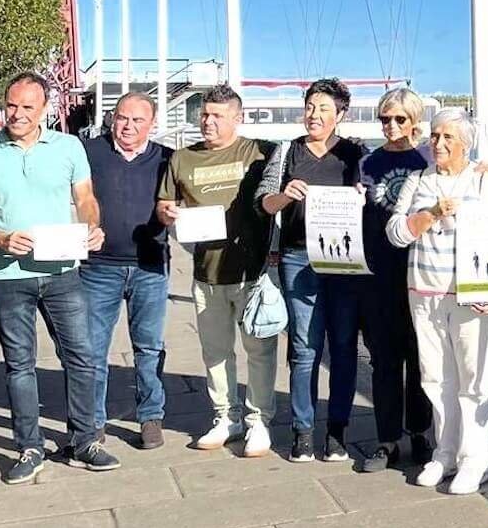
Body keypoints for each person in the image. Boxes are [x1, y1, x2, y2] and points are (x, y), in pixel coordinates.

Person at [0, 72, 118, 484]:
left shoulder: (68, 147)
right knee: (20, 365)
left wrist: (92, 227)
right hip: (8, 275)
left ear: (46, 109)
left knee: (81, 358)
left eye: (28, 107)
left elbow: (85, 199)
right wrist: (0, 238)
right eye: (12, 105)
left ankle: (84, 442)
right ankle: (29, 447)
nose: (17, 114)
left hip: (63, 272)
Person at [385, 108, 488, 495]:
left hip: (470, 296)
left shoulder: (484, 178)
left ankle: (475, 459)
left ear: (465, 143)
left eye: (448, 137)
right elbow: (396, 233)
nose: (438, 143)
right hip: (424, 290)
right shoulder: (418, 180)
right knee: (435, 377)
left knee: (473, 379)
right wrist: (431, 213)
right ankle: (445, 451)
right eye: (435, 136)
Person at [157, 86, 278, 457]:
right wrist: (168, 214)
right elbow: (164, 205)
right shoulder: (181, 158)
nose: (208, 121)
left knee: (259, 349)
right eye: (204, 114)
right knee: (215, 352)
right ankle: (226, 416)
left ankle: (259, 420)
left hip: (252, 271)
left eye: (217, 115)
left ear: (237, 118)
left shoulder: (260, 151)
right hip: (205, 272)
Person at [258, 78, 368, 463]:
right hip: (297, 257)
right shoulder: (287, 152)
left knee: (342, 348)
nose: (314, 115)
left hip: (344, 262)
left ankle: (337, 431)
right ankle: (302, 431)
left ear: (341, 114)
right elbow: (264, 203)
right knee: (304, 349)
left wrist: (363, 197)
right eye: (309, 107)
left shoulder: (356, 154)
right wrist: (285, 195)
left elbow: (376, 197)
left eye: (323, 108)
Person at [80, 92, 173, 450]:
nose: (128, 126)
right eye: (122, 118)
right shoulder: (89, 152)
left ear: (152, 124)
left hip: (150, 266)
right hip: (98, 268)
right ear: (111, 118)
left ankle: (151, 416)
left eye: (137, 120)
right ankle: (93, 421)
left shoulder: (168, 158)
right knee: (92, 350)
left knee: (149, 347)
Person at [356, 87, 434, 473]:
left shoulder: (429, 160)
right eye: (385, 119)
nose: (391, 126)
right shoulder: (368, 163)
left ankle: (420, 430)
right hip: (377, 273)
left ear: (414, 121)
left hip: (420, 273)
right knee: (384, 360)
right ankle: (387, 439)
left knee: (420, 358)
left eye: (399, 119)